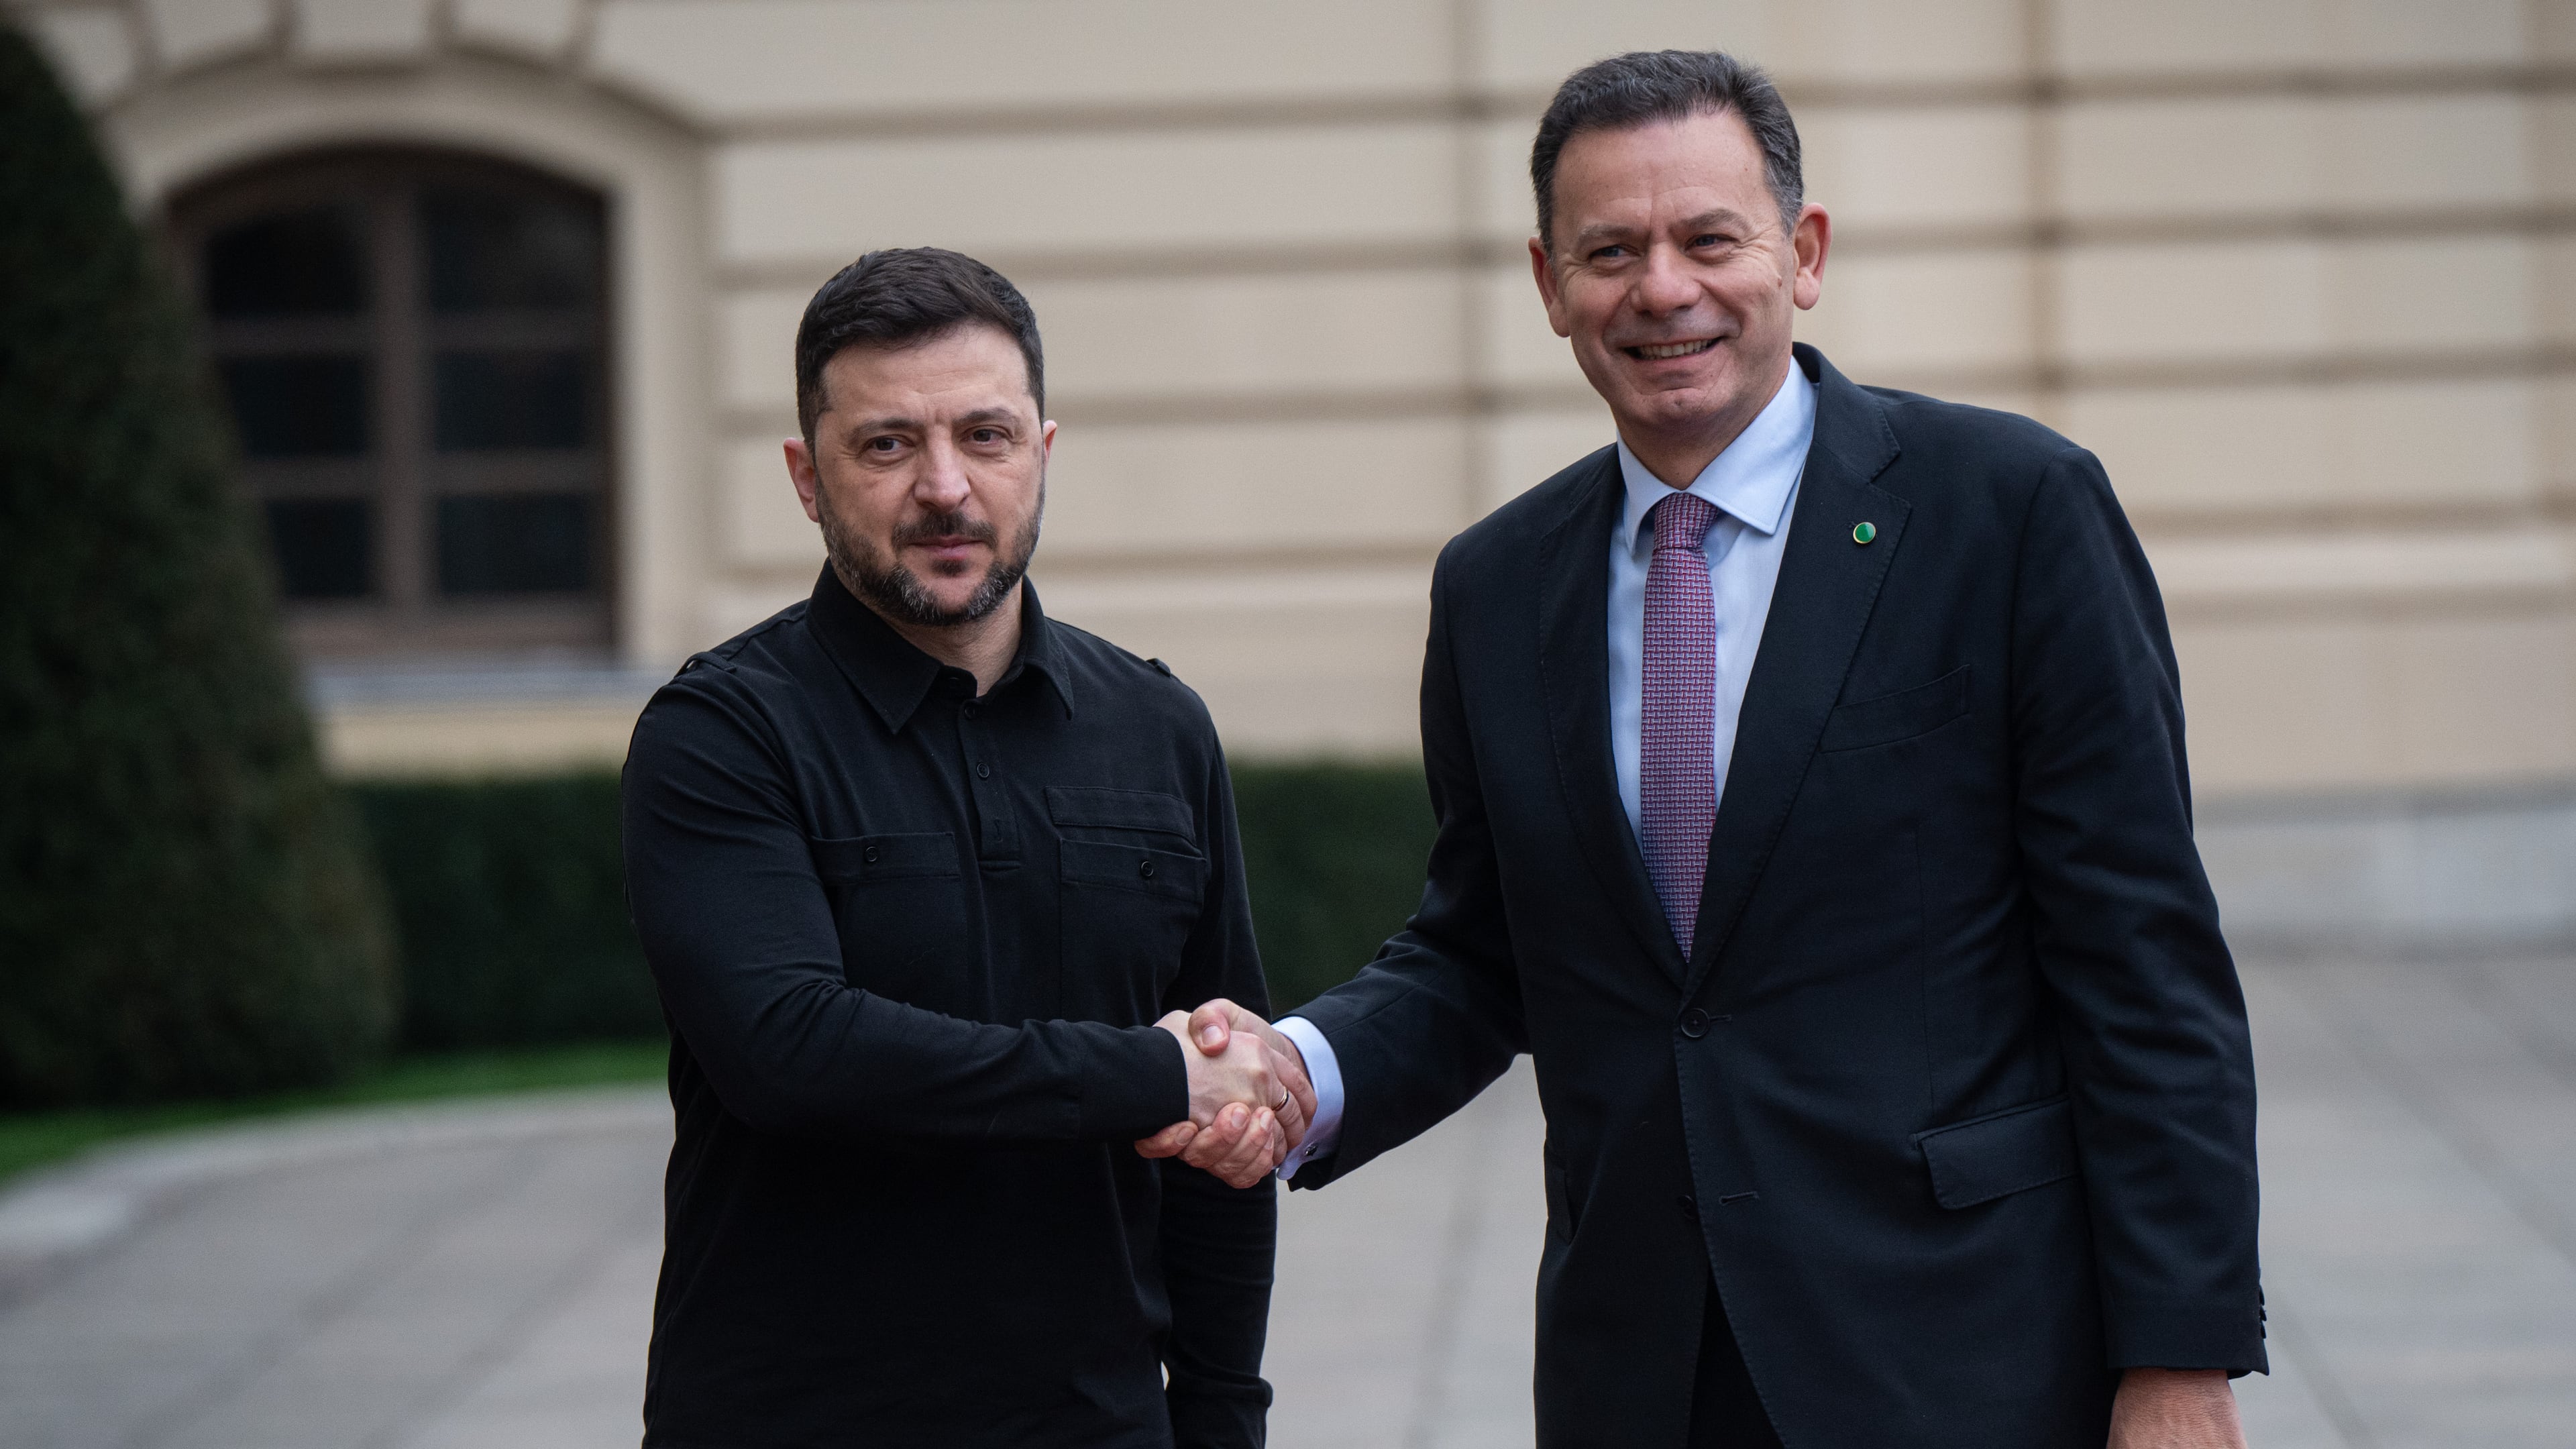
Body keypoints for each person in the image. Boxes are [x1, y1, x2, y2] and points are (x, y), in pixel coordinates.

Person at [1153, 50, 2263, 1448]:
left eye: (1708, 239)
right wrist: (1303, 1071)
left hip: (1965, 1355)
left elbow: (2143, 963)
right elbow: (1483, 948)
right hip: (1645, 1369)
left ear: (1801, 256)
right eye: (1610, 250)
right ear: (1551, 284)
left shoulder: (2012, 513)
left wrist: (2182, 1361)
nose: (1661, 289)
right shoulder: (1497, 585)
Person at [621, 247, 1313, 1448]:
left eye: (985, 437)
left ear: (1042, 454)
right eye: (887, 445)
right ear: (805, 476)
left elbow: (1223, 1132)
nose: (946, 487)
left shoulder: (1158, 729)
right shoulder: (722, 732)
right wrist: (1150, 1077)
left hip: (1098, 1425)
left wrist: (1220, 1417)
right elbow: (791, 1047)